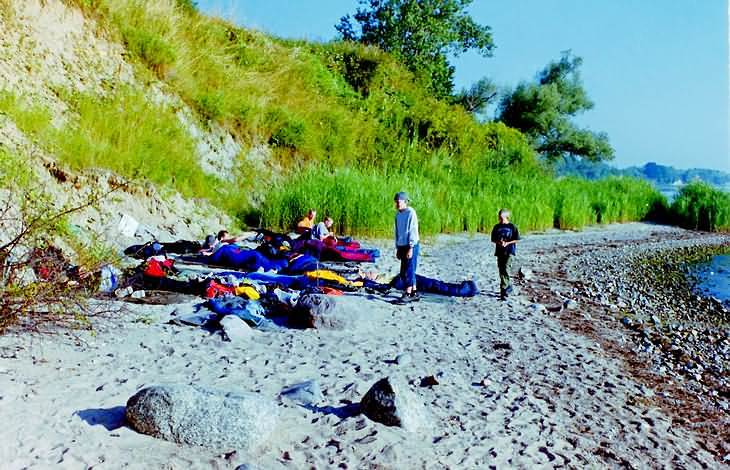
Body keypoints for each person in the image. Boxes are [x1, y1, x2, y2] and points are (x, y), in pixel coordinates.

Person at [393, 191, 420, 302]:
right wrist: (398, 248)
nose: (398, 204)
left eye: (400, 202)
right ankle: (414, 292)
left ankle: (408, 293)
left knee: (409, 269)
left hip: (411, 245)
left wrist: (411, 247)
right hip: (402, 245)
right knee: (405, 270)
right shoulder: (398, 215)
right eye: (396, 202)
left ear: (405, 202)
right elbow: (397, 232)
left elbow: (413, 230)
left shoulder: (411, 213)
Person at [491, 209, 520, 300]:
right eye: (499, 216)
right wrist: (499, 242)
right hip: (499, 251)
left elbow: (517, 239)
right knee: (501, 270)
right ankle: (508, 286)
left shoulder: (512, 227)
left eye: (501, 216)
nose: (500, 218)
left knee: (506, 268)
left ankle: (503, 290)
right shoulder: (496, 227)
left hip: (510, 251)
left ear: (506, 216)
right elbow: (493, 239)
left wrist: (508, 243)